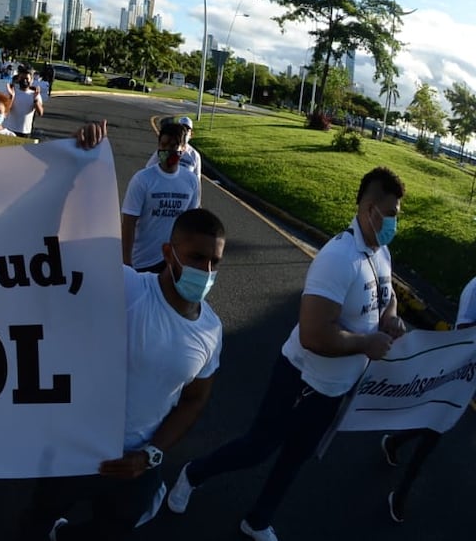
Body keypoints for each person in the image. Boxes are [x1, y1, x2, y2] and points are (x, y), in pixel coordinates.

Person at [167, 166, 407, 541]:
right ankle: (193, 474)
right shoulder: (339, 258)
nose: (394, 223)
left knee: (296, 457)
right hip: (301, 378)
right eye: (391, 214)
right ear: (370, 209)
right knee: (257, 448)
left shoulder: (381, 252)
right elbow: (314, 334)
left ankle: (258, 520)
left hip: (334, 388)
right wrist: (366, 343)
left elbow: (387, 297)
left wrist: (390, 318)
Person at [46, 208, 226, 540]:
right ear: (168, 253)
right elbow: (55, 253)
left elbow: (194, 399)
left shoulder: (211, 330)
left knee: (111, 531)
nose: (207, 271)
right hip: (75, 446)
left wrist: (150, 455)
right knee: (38, 516)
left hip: (135, 465)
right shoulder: (127, 286)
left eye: (215, 262)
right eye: (197, 258)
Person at [377, 272, 475, 523]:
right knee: (435, 431)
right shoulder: (474, 289)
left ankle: (395, 442)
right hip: (456, 369)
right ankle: (402, 493)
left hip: (470, 375)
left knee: (439, 422)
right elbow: (463, 332)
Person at [121, 122, 201, 272]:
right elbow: (128, 223)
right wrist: (126, 263)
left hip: (172, 262)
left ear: (183, 148)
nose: (167, 150)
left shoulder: (191, 181)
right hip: (142, 262)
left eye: (173, 146)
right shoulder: (142, 180)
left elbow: (190, 223)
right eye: (163, 145)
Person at [145, 116, 203, 182]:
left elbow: (197, 180)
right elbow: (149, 168)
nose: (185, 132)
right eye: (182, 128)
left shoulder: (194, 155)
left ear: (191, 134)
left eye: (187, 130)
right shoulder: (166, 150)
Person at [4, 69, 44, 138]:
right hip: (10, 129)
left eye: (27, 78)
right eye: (22, 78)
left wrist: (35, 100)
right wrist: (11, 97)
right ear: (18, 79)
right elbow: (5, 111)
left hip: (25, 131)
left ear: (31, 80)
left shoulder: (35, 94)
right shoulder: (12, 92)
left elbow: (40, 113)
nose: (24, 80)